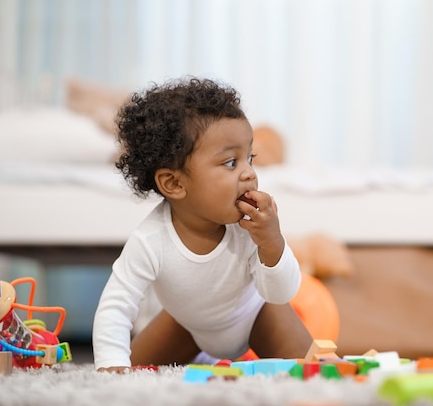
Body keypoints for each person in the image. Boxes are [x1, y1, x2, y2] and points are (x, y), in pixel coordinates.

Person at [92, 77, 312, 372]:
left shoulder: (250, 228)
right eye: (231, 163)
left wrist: (272, 242)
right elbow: (116, 306)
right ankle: (207, 358)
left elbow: (280, 294)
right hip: (187, 325)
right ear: (174, 183)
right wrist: (110, 365)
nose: (249, 173)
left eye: (250, 158)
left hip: (257, 316)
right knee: (132, 369)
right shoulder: (151, 240)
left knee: (311, 371)